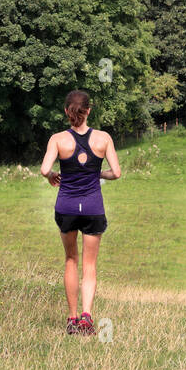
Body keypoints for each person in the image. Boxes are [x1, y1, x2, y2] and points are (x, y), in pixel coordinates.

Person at [40, 90, 121, 336]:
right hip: (93, 208)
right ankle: (87, 318)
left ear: (67, 111)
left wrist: (53, 175)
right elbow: (116, 173)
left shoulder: (57, 139)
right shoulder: (103, 138)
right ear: (89, 110)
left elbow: (45, 169)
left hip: (66, 207)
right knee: (90, 265)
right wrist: (97, 173)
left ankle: (72, 319)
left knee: (71, 260)